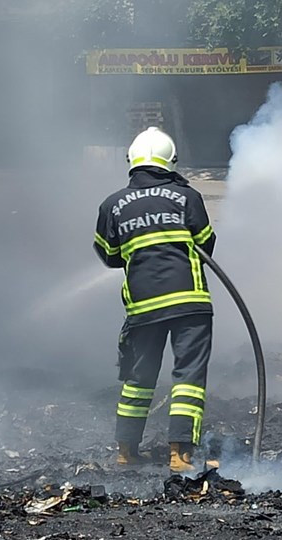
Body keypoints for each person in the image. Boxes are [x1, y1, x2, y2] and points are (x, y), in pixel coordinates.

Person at [93, 127, 216, 472]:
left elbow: (109, 255)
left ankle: (126, 452)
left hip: (142, 307)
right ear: (170, 161)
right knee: (188, 376)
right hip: (189, 302)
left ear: (131, 161)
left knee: (139, 377)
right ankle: (181, 455)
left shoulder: (112, 204)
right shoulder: (187, 197)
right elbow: (206, 243)